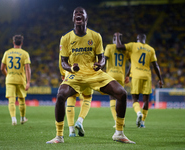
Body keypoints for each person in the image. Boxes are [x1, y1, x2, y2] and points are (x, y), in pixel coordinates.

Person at [46, 7, 135, 144]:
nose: (78, 14)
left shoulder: (95, 36)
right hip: (75, 75)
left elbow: (102, 58)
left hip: (94, 74)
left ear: (86, 18)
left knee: (122, 93)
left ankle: (119, 133)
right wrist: (71, 68)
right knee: (60, 95)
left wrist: (101, 64)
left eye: (82, 13)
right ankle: (59, 136)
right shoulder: (66, 38)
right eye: (76, 13)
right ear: (73, 19)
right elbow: (63, 62)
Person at [115, 32, 163, 128]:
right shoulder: (151, 49)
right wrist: (160, 79)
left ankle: (138, 113)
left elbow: (119, 46)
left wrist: (117, 36)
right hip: (147, 76)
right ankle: (143, 122)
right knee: (146, 100)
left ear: (137, 39)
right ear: (145, 39)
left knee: (135, 98)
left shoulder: (133, 45)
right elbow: (155, 65)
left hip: (136, 76)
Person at [59, 55, 93, 137]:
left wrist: (63, 73)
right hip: (87, 73)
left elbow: (62, 59)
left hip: (71, 73)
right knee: (87, 97)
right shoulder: (89, 42)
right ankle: (80, 121)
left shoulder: (67, 43)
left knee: (71, 97)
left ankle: (71, 130)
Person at [1, 35, 31, 125]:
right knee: (21, 99)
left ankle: (13, 119)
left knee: (11, 100)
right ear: (21, 43)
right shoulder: (25, 53)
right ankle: (22, 118)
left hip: (10, 80)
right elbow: (27, 68)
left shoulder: (7, 53)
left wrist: (8, 75)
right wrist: (28, 82)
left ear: (13, 42)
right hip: (21, 80)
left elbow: (2, 68)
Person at [104, 33, 130, 128]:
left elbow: (105, 59)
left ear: (113, 39)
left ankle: (116, 121)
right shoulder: (125, 50)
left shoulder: (109, 47)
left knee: (112, 97)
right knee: (120, 98)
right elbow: (131, 63)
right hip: (121, 75)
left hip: (111, 74)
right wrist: (128, 75)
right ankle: (121, 121)